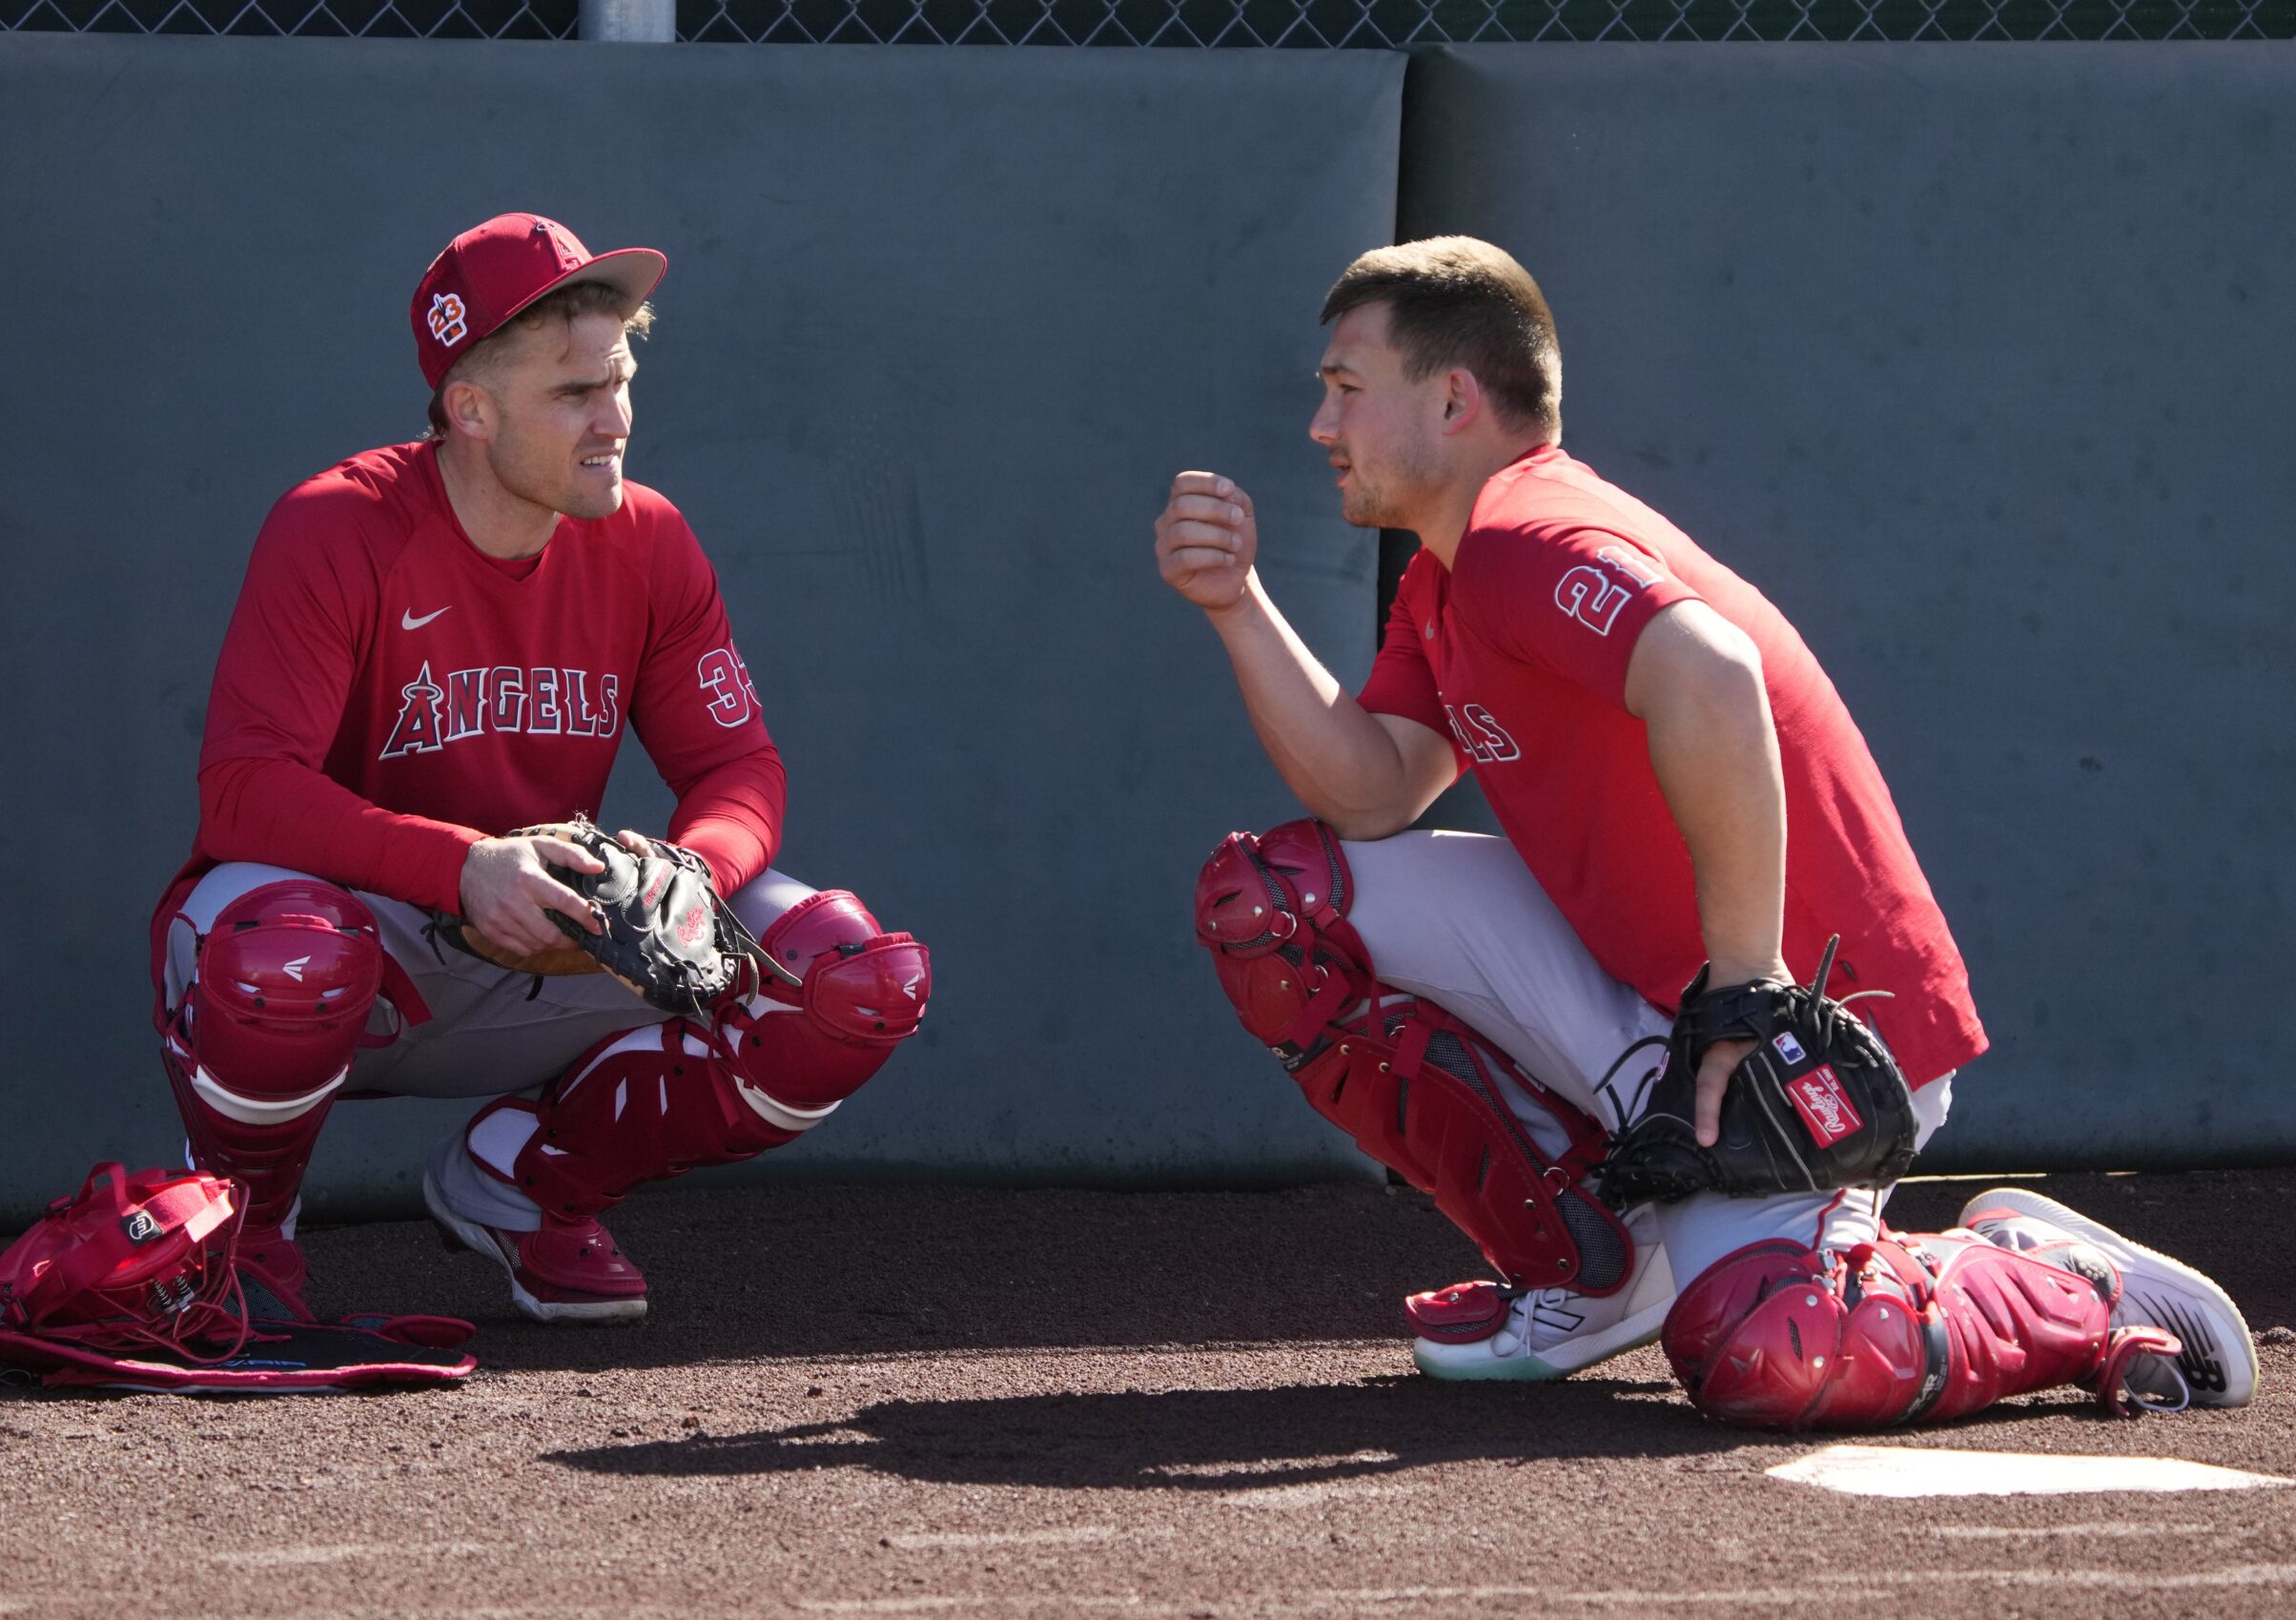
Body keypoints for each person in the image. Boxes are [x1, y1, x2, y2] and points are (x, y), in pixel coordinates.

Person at [1158, 236, 2252, 1425]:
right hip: (1672, 1007)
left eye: (1346, 387)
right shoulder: (1446, 576)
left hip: (1818, 1033)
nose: (1322, 423)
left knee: (1780, 1352)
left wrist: (1748, 989)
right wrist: (1237, 606)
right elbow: (1371, 793)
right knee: (1278, 906)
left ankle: (2063, 1282)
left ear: (1454, 398)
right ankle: (1591, 1264)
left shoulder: (1526, 534)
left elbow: (1713, 672)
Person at [150, 214, 931, 1326]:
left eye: (619, 379)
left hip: (555, 931)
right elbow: (243, 791)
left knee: (850, 976)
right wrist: (463, 866)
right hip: (364, 939)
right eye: (573, 394)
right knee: (281, 956)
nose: (613, 419)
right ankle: (246, 1232)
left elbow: (739, 764)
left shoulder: (649, 538)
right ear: (470, 408)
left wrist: (692, 872)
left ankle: (526, 1181)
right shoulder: (339, 525)